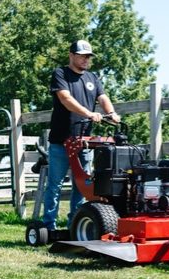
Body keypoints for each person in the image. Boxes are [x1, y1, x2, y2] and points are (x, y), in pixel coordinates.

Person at [42, 39, 121, 230]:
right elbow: (65, 99)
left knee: (82, 186)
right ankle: (48, 226)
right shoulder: (60, 74)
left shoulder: (92, 78)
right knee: (55, 186)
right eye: (82, 56)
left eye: (88, 56)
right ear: (71, 55)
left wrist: (111, 113)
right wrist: (89, 113)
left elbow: (103, 98)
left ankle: (74, 224)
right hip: (61, 141)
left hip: (84, 143)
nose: (86, 60)